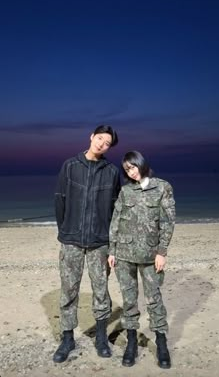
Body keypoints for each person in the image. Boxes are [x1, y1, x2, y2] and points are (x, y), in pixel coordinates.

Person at [53, 125, 120, 363]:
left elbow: (115, 210)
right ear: (91, 137)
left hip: (100, 242)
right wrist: (65, 230)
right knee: (69, 290)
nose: (102, 144)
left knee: (101, 291)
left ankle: (101, 337)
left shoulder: (111, 171)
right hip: (71, 240)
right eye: (100, 138)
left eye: (107, 143)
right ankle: (67, 338)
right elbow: (60, 200)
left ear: (109, 147)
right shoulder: (70, 166)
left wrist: (112, 242)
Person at [108, 151, 175, 369]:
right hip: (125, 255)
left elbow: (167, 222)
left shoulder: (162, 187)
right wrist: (112, 251)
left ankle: (162, 343)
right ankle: (132, 343)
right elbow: (115, 222)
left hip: (150, 256)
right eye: (127, 169)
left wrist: (161, 252)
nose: (131, 171)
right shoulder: (126, 191)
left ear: (141, 164)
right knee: (129, 300)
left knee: (154, 299)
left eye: (133, 166)